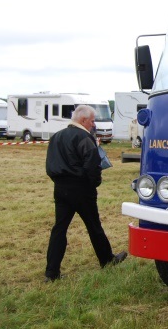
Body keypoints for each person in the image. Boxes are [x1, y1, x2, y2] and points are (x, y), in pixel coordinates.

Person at [44, 104, 127, 282]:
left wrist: (61, 182)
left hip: (60, 189)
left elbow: (50, 166)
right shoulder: (84, 137)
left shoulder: (57, 137)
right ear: (83, 120)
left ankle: (51, 273)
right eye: (92, 120)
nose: (93, 124)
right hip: (81, 189)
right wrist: (94, 183)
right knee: (94, 226)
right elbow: (92, 164)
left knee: (59, 229)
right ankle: (106, 260)